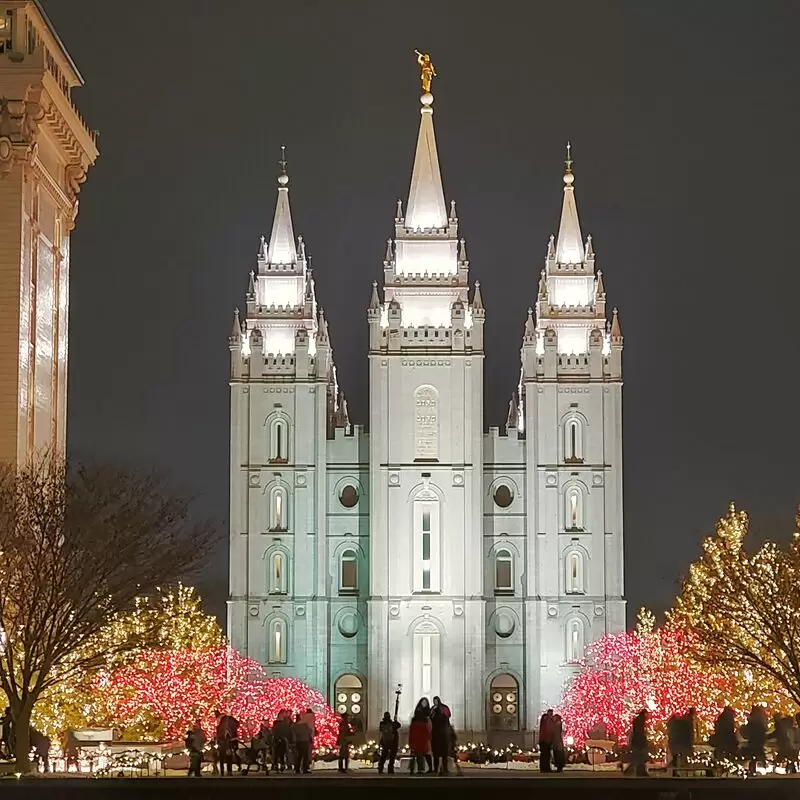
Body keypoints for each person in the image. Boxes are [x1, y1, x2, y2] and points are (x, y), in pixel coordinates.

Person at [409, 700, 432, 775]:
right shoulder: (424, 720)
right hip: (421, 737)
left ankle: (415, 769)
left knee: (418, 753)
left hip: (419, 737)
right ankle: (420, 769)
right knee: (420, 754)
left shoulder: (417, 720)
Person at [625, 709, 649, 777]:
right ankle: (640, 771)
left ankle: (634, 770)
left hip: (636, 741)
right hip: (639, 741)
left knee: (637, 756)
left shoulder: (638, 720)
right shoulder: (641, 720)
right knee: (639, 756)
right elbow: (640, 732)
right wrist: (643, 740)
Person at [431, 697, 451, 774]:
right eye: (434, 701)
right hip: (435, 734)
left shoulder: (444, 707)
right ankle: (436, 768)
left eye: (436, 701)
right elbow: (430, 717)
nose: (435, 702)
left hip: (443, 734)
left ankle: (445, 768)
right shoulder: (433, 708)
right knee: (436, 753)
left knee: (444, 754)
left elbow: (448, 715)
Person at [538, 709, 554, 773]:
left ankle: (543, 768)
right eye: (551, 713)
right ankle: (546, 768)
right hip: (546, 740)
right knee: (546, 755)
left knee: (544, 755)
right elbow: (549, 730)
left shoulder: (544, 719)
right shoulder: (548, 720)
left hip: (543, 740)